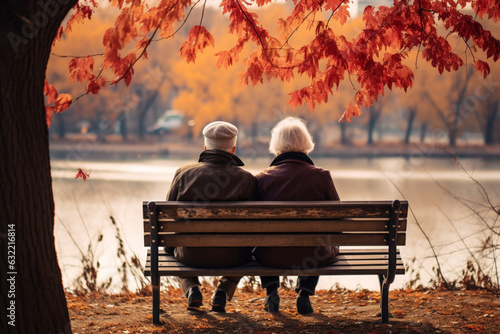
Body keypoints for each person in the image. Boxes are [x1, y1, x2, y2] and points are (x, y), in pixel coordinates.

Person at [166, 121, 256, 313]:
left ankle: (192, 288)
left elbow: (168, 216)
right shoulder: (247, 179)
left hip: (190, 255)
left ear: (205, 147)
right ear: (233, 149)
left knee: (171, 250)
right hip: (233, 257)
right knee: (247, 251)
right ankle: (223, 291)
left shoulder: (183, 174)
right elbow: (255, 226)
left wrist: (169, 246)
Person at [254, 117, 340, 315]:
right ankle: (305, 293)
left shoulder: (262, 179)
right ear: (306, 143)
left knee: (261, 240)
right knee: (323, 240)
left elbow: (253, 225)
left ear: (276, 144)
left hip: (270, 256)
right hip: (313, 256)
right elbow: (338, 219)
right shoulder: (322, 177)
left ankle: (271, 291)